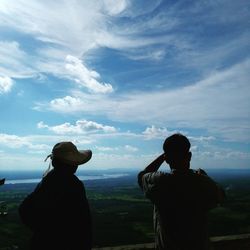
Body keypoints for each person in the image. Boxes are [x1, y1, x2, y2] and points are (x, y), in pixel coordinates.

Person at [138, 133, 225, 250]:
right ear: (189, 156)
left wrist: (163, 157)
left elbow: (142, 176)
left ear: (167, 159)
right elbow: (221, 195)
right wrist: (205, 177)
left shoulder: (160, 182)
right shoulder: (203, 183)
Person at [19, 142, 92, 250]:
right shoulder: (73, 184)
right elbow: (83, 221)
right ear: (73, 165)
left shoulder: (48, 180)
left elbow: (24, 209)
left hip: (43, 243)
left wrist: (43, 231)